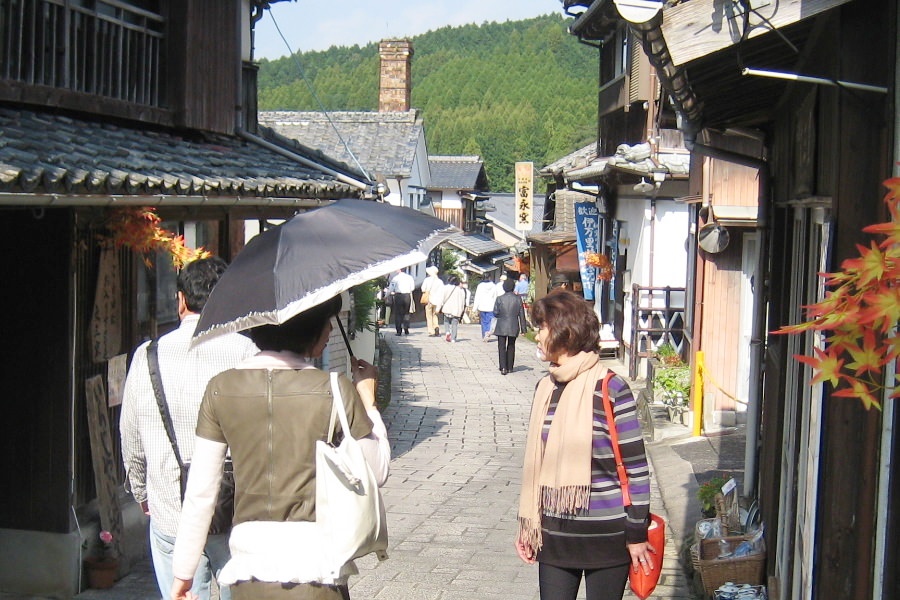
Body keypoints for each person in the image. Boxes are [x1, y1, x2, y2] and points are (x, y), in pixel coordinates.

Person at [170, 296, 390, 600]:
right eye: (326, 321)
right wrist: (368, 400)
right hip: (317, 568)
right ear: (309, 328)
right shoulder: (334, 388)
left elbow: (201, 492)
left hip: (248, 570)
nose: (330, 330)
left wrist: (183, 573)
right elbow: (376, 470)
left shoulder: (220, 388)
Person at [120, 257, 258, 600]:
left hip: (170, 507)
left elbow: (130, 436)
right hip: (234, 509)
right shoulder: (248, 354)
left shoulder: (147, 356)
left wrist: (141, 492)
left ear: (180, 300)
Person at [515, 290, 654, 600]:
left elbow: (636, 469)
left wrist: (636, 533)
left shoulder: (611, 388)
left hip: (607, 536)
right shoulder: (545, 388)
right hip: (554, 535)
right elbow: (537, 465)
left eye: (542, 327)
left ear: (565, 332)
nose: (537, 336)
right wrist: (527, 527)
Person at [492, 277, 527, 374]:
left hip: (501, 325)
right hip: (513, 325)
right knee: (511, 346)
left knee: (501, 346)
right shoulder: (518, 299)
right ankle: (510, 367)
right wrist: (523, 329)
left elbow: (495, 312)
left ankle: (503, 367)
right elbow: (522, 315)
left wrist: (501, 315)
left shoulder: (499, 299)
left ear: (504, 287)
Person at [437, 275, 468, 343]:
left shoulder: (445, 288)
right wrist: (462, 310)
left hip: (447, 308)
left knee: (446, 321)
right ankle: (453, 339)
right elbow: (463, 301)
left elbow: (441, 299)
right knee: (454, 324)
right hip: (456, 310)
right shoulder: (460, 290)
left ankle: (447, 332)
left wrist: (438, 308)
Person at [472, 274, 499, 341]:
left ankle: (484, 334)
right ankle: (488, 333)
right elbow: (495, 296)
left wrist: (474, 308)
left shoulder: (480, 286)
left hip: (482, 306)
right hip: (491, 306)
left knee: (483, 322)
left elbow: (477, 297)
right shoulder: (493, 286)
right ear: (489, 278)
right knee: (490, 321)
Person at [389, 269, 415, 335]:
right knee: (406, 312)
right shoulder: (409, 277)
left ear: (399, 270)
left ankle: (399, 330)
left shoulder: (395, 278)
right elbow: (412, 288)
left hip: (398, 295)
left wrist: (388, 294)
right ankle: (406, 328)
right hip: (407, 295)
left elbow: (391, 288)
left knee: (398, 313)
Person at [421, 265, 444, 337]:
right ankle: (436, 326)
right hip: (437, 301)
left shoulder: (427, 280)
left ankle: (431, 331)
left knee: (429, 316)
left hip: (429, 300)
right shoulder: (440, 281)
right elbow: (442, 292)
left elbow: (423, 289)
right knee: (435, 315)